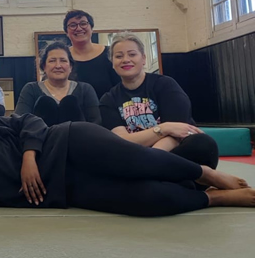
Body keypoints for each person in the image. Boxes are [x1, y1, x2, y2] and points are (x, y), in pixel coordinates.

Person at [0, 112, 255, 216]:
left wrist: (29, 156)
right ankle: (213, 198)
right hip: (68, 189)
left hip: (68, 143)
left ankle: (205, 173)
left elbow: (30, 121)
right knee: (148, 201)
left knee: (138, 162)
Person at [100, 32, 218, 169]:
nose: (126, 60)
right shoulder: (108, 99)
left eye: (132, 54)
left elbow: (176, 134)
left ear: (143, 59)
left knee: (203, 144)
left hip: (169, 153)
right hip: (134, 155)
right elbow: (122, 141)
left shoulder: (165, 85)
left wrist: (151, 159)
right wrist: (163, 128)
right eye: (119, 56)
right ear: (112, 63)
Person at [15, 42, 100, 125]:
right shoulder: (31, 89)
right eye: (52, 61)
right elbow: (19, 122)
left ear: (70, 66)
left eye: (63, 60)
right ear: (44, 66)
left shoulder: (85, 89)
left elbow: (96, 124)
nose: (58, 66)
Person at [64, 9, 120, 99]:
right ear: (66, 32)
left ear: (91, 28)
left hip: (108, 106)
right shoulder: (62, 58)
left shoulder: (110, 53)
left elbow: (121, 86)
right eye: (73, 25)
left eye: (83, 23)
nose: (78, 28)